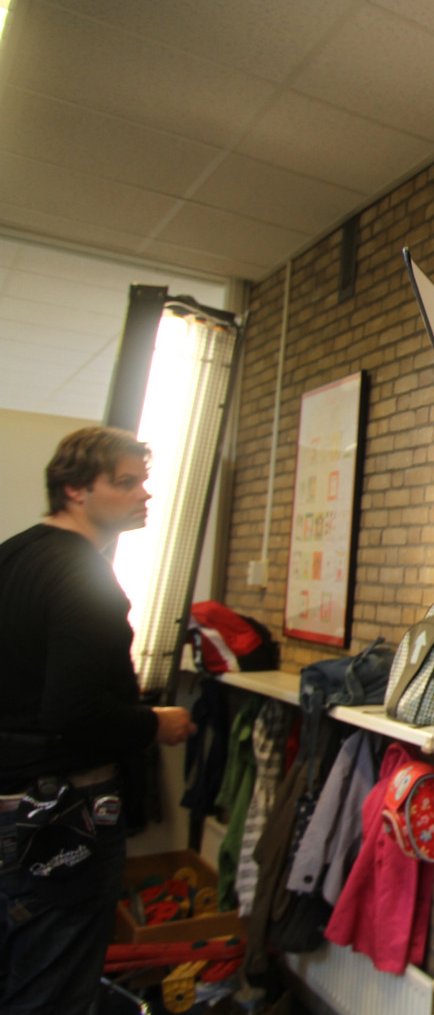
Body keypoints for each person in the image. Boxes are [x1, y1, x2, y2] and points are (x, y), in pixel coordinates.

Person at [0, 426, 196, 1015]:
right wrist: (156, 724)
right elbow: (75, 711)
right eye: (126, 482)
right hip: (57, 818)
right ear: (76, 490)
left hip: (11, 800)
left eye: (144, 482)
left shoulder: (12, 556)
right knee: (52, 993)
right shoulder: (83, 576)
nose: (144, 494)